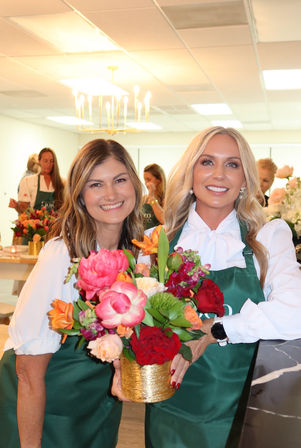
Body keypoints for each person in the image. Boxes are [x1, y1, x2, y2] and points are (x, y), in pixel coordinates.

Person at [113, 127, 301, 447]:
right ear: (190, 172)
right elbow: (131, 322)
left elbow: (295, 314)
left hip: (243, 417)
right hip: (169, 414)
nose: (219, 174)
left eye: (232, 164)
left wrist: (215, 329)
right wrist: (122, 361)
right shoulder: (156, 241)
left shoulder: (268, 238)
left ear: (245, 179)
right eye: (207, 162)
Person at [0, 139, 144, 448]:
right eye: (96, 184)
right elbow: (27, 371)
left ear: (134, 183)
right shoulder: (62, 256)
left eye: (120, 180)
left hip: (96, 408)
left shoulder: (135, 254)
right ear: (79, 194)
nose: (111, 194)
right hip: (46, 411)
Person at [9, 147, 65, 213]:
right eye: (45, 161)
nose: (48, 164)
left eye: (51, 161)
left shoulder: (63, 183)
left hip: (56, 223)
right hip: (36, 222)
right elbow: (24, 209)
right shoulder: (28, 181)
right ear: (39, 161)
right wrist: (16, 206)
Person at [142, 163, 166, 229]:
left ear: (159, 180)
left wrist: (152, 198)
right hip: (144, 238)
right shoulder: (143, 198)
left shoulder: (166, 198)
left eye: (148, 179)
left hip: (158, 238)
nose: (146, 183)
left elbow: (165, 220)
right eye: (144, 179)